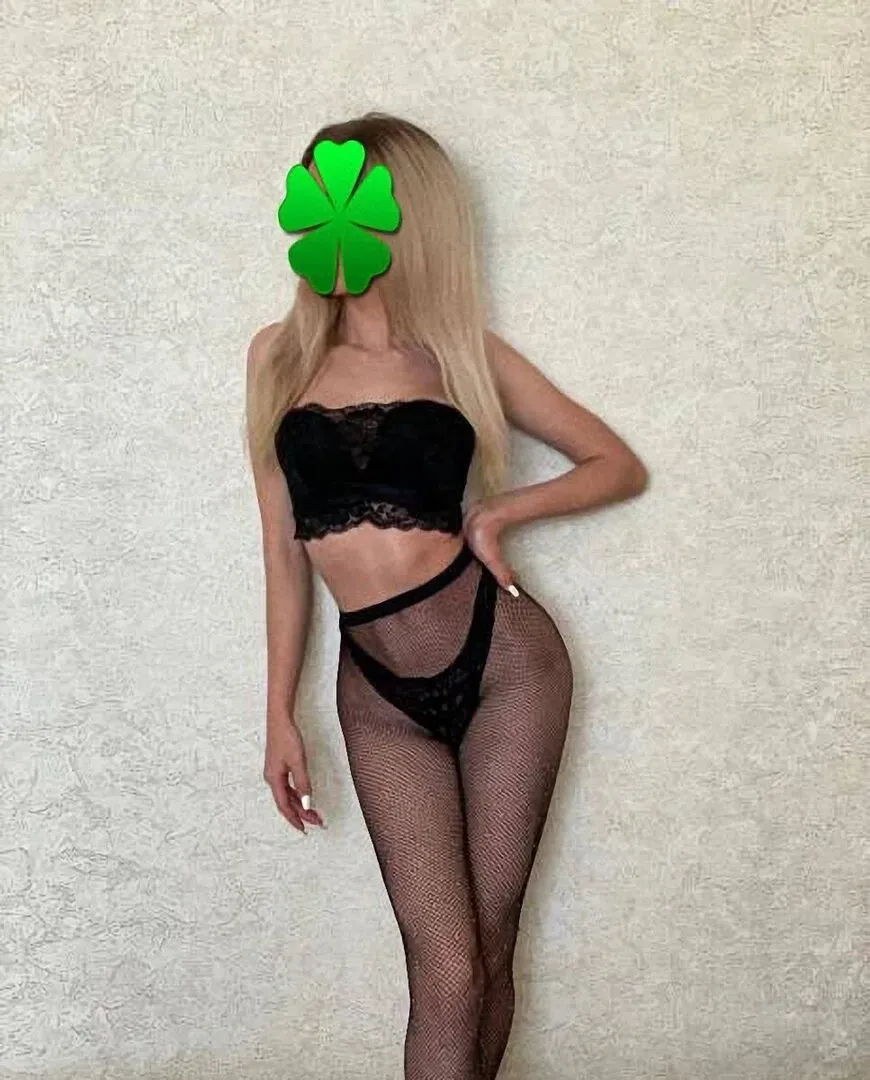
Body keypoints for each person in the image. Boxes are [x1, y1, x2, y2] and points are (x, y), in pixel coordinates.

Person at [245, 111, 648, 1080]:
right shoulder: (277, 358)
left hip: (506, 666)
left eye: (353, 196)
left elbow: (615, 463)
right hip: (377, 694)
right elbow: (283, 553)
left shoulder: (460, 354)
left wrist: (499, 515)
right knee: (447, 969)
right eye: (318, 197)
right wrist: (278, 712)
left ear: (405, 215)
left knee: (488, 949)